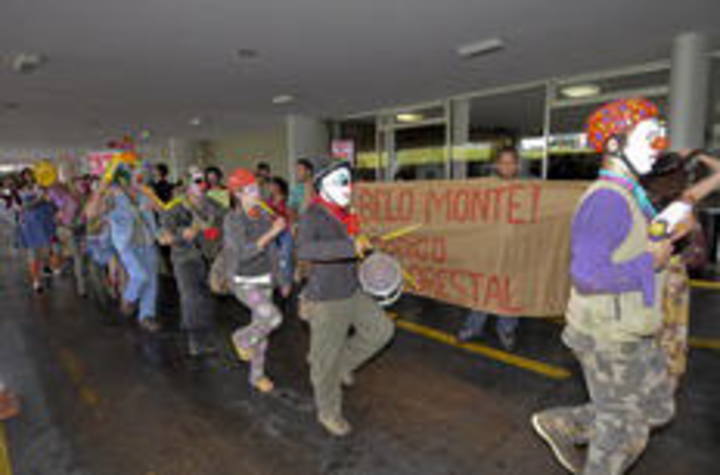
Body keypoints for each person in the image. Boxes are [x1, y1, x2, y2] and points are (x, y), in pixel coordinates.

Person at [531, 98, 677, 475]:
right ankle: (602, 430)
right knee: (623, 433)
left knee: (658, 405)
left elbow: (629, 243)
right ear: (614, 145)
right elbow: (588, 275)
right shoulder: (607, 201)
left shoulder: (630, 195)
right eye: (648, 138)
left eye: (658, 137)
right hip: (607, 335)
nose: (656, 148)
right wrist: (652, 261)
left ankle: (566, 422)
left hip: (633, 324)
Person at [296, 156, 395, 437]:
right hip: (327, 298)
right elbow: (306, 250)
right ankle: (328, 412)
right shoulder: (312, 215)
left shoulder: (344, 212)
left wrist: (365, 247)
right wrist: (349, 246)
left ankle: (343, 364)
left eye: (349, 181)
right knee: (324, 363)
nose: (348, 187)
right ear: (322, 185)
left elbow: (351, 247)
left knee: (381, 330)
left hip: (352, 289)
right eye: (341, 181)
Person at [224, 168, 287, 393]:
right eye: (250, 189)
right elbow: (243, 253)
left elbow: (272, 251)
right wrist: (272, 233)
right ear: (238, 193)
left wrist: (282, 278)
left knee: (262, 333)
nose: (256, 192)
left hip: (265, 280)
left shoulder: (262, 214)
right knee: (272, 318)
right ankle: (240, 338)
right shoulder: (233, 220)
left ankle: (257, 376)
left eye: (256, 187)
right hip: (244, 282)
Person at [457, 146, 522, 350]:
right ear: (496, 165)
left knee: (509, 291)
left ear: (517, 165)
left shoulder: (528, 190)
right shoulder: (484, 188)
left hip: (515, 250)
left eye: (511, 162)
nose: (507, 166)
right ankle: (473, 327)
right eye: (503, 162)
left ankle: (506, 329)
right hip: (489, 250)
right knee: (484, 289)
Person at [86, 159, 161, 332]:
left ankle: (147, 316)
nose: (140, 178)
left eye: (141, 175)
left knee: (151, 282)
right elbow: (91, 214)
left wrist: (153, 201)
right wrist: (102, 189)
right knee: (140, 276)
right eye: (136, 175)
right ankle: (128, 299)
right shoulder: (113, 196)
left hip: (148, 241)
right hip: (127, 244)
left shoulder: (144, 194)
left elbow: (161, 209)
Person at [158, 168, 225, 357]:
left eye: (204, 180)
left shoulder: (214, 205)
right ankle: (196, 340)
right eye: (197, 181)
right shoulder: (175, 208)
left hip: (210, 258)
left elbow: (225, 224)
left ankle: (201, 333)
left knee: (204, 300)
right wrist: (181, 234)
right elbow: (163, 237)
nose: (202, 184)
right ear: (187, 185)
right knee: (192, 299)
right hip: (186, 259)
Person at [17, 167, 57, 292]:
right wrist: (39, 199)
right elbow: (22, 207)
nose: (28, 178)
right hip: (29, 225)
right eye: (26, 176)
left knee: (46, 251)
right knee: (33, 254)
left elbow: (52, 203)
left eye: (30, 175)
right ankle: (36, 282)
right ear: (22, 178)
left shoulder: (42, 187)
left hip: (45, 223)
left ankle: (46, 266)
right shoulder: (19, 191)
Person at [267, 176, 294, 298]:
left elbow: (292, 216)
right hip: (272, 231)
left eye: (274, 185)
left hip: (285, 231)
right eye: (270, 185)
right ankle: (275, 282)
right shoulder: (268, 201)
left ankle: (286, 283)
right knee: (273, 258)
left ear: (279, 186)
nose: (271, 188)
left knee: (285, 257)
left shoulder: (287, 199)